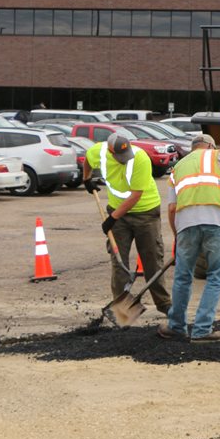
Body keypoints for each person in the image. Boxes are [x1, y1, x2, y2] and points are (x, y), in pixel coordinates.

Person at [157, 134, 220, 343]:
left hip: (185, 225)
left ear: (193, 148)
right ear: (210, 145)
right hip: (215, 222)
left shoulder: (178, 167)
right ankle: (202, 329)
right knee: (215, 276)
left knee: (183, 277)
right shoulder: (218, 156)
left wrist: (178, 237)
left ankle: (176, 326)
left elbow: (172, 208)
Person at [83, 132, 171, 315]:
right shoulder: (98, 152)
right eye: (119, 156)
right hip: (117, 214)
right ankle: (122, 309)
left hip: (145, 213)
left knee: (152, 260)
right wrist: (86, 179)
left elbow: (136, 195)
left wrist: (112, 218)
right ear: (109, 150)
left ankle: (164, 304)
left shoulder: (140, 159)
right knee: (119, 262)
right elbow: (88, 160)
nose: (124, 159)